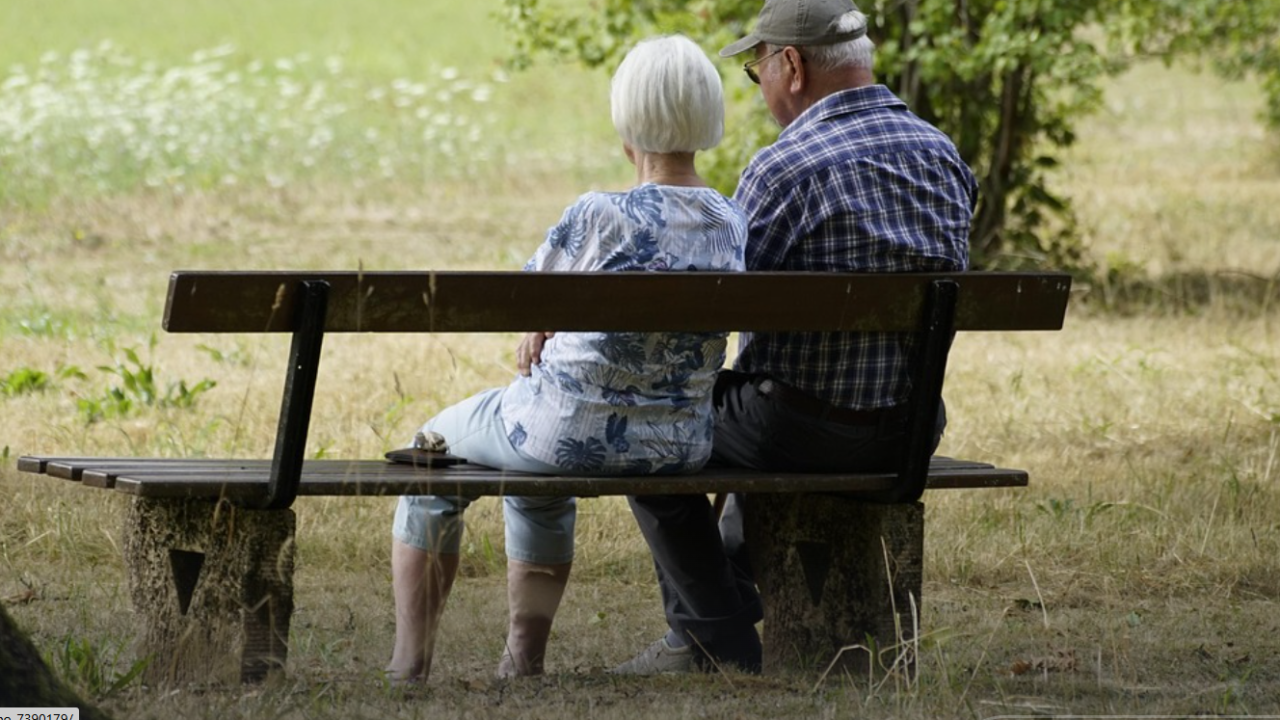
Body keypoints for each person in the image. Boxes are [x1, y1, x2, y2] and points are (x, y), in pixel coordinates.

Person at [612, 0, 977, 675]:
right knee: (760, 398)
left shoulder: (786, 168)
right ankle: (727, 601)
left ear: (792, 64)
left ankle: (711, 634)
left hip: (801, 428)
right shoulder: (943, 156)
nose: (764, 92)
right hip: (911, 428)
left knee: (644, 423)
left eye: (758, 75)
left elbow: (711, 301)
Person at [386, 34, 747, 683]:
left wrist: (540, 322)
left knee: (430, 451)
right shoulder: (730, 221)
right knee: (532, 468)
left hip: (563, 434)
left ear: (628, 120)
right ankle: (522, 661)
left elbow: (521, 298)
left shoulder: (598, 215)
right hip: (677, 445)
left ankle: (409, 664)